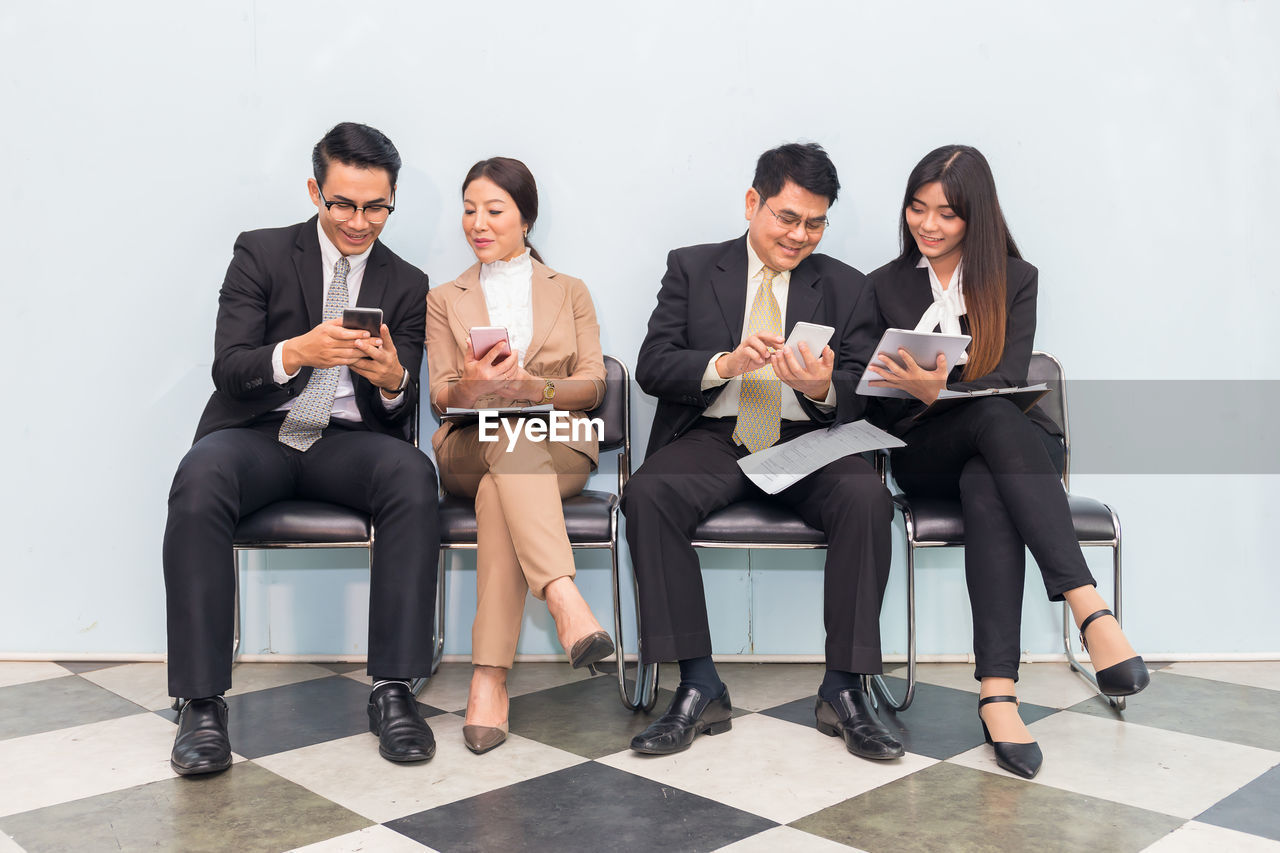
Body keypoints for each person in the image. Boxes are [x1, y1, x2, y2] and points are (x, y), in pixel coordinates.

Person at [163, 122, 439, 775]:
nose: (359, 221)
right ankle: (201, 701)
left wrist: (394, 380)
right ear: (317, 190)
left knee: (411, 474)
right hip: (258, 435)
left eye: (376, 206)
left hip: (347, 441)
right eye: (343, 203)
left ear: (392, 199)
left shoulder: (406, 282)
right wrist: (297, 353)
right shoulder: (259, 253)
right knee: (198, 477)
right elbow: (229, 367)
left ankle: (393, 689)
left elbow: (402, 400)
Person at [866, 144, 1149, 779]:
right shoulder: (881, 285)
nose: (929, 225)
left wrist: (947, 389)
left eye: (948, 213)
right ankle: (1089, 610)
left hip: (1011, 451)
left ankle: (998, 695)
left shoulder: (1016, 280)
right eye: (918, 208)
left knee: (988, 467)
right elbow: (873, 398)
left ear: (978, 218)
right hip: (924, 448)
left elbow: (1011, 376)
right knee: (989, 421)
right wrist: (920, 395)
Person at [622, 143, 902, 761]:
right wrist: (723, 364)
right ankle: (698, 682)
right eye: (787, 217)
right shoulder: (693, 268)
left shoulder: (849, 286)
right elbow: (653, 366)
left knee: (867, 498)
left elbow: (865, 388)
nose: (800, 235)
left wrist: (823, 387)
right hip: (714, 437)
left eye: (816, 222)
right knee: (646, 494)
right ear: (753, 203)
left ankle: (845, 688)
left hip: (807, 440)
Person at [425, 157, 614, 755]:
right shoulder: (442, 298)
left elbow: (593, 386)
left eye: (494, 210)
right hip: (468, 443)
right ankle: (564, 599)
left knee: (501, 483)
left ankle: (488, 678)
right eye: (469, 210)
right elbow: (438, 396)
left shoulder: (571, 290)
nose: (478, 223)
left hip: (554, 441)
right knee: (503, 450)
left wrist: (535, 389)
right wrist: (472, 387)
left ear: (525, 218)